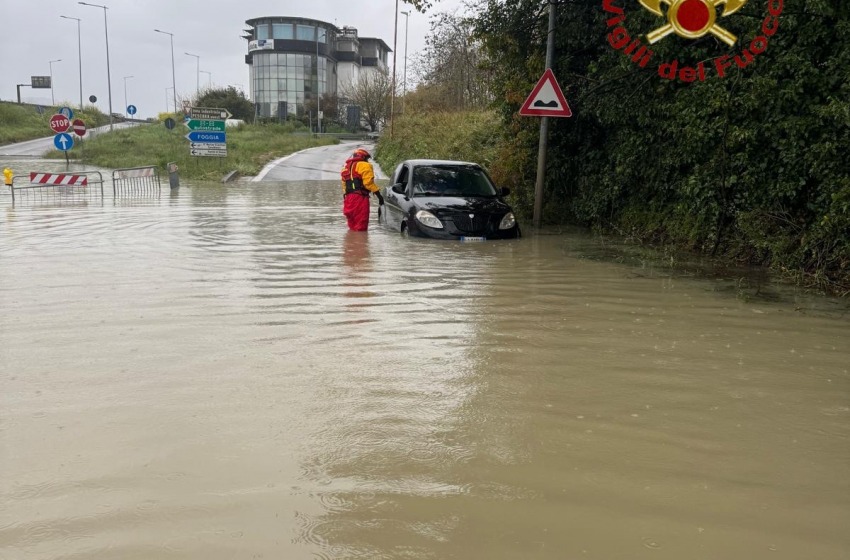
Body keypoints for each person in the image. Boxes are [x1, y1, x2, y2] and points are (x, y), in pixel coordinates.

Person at [340, 148, 383, 231]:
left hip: (348, 199)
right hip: (360, 198)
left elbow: (344, 184)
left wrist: (346, 194)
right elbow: (368, 183)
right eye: (367, 158)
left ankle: (351, 242)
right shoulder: (365, 166)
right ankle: (361, 243)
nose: (367, 161)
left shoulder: (345, 168)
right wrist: (379, 195)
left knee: (352, 225)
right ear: (363, 157)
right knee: (361, 226)